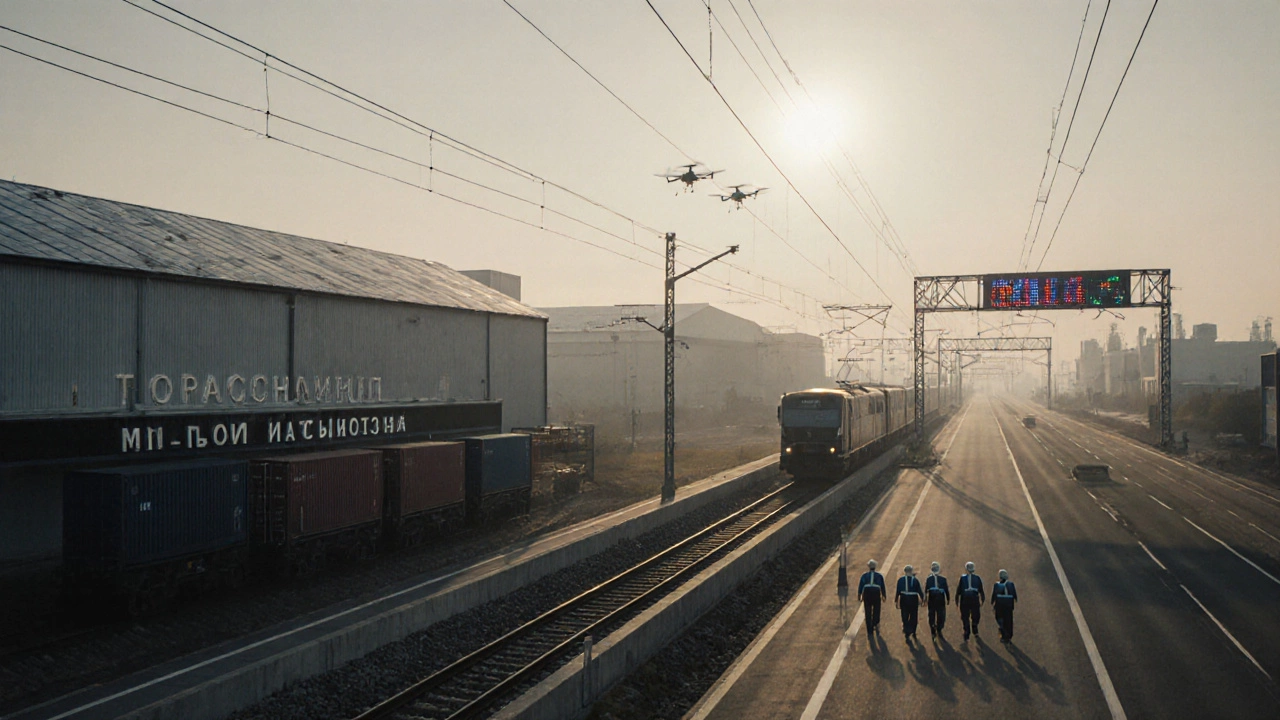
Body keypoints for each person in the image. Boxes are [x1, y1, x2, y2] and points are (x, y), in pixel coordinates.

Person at [956, 561, 985, 640]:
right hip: (974, 599)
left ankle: (967, 629)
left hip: (965, 599)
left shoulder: (962, 578)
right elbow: (981, 590)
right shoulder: (977, 578)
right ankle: (974, 626)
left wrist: (956, 600)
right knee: (976, 615)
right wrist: (982, 599)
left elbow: (958, 590)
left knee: (965, 616)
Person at [857, 559, 886, 634]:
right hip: (876, 592)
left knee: (867, 610)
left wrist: (859, 595)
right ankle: (875, 623)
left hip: (867, 592)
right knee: (877, 608)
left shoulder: (864, 575)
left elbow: (861, 585)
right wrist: (883, 595)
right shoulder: (879, 576)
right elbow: (882, 586)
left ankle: (869, 628)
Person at [895, 564, 923, 641]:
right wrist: (923, 599)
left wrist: (896, 601)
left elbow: (898, 592)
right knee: (914, 616)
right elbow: (919, 591)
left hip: (904, 599)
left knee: (904, 616)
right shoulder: (915, 580)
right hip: (913, 600)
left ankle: (907, 630)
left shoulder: (900, 580)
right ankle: (913, 631)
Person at [925, 561, 950, 638]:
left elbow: (926, 590)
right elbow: (946, 590)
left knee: (931, 614)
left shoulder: (929, 579)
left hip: (932, 598)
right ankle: (939, 628)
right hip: (940, 599)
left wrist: (925, 599)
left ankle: (932, 627)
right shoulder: (943, 579)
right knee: (941, 615)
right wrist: (948, 599)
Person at [992, 569, 1018, 642]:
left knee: (999, 617)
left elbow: (994, 595)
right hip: (1009, 605)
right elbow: (1014, 595)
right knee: (1009, 619)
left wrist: (993, 602)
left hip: (1000, 605)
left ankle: (1002, 630)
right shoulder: (1011, 584)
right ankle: (1009, 634)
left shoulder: (997, 585)